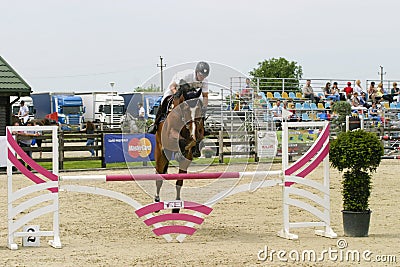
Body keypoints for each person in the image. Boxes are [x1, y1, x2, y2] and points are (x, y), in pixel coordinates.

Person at [148, 61, 210, 134]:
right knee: (164, 101)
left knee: (198, 108)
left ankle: (202, 127)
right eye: (201, 75)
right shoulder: (186, 75)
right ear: (196, 72)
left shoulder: (205, 81)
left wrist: (204, 107)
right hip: (175, 90)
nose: (202, 77)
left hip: (189, 93)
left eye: (204, 76)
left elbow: (205, 96)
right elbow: (172, 87)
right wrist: (176, 94)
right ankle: (155, 124)